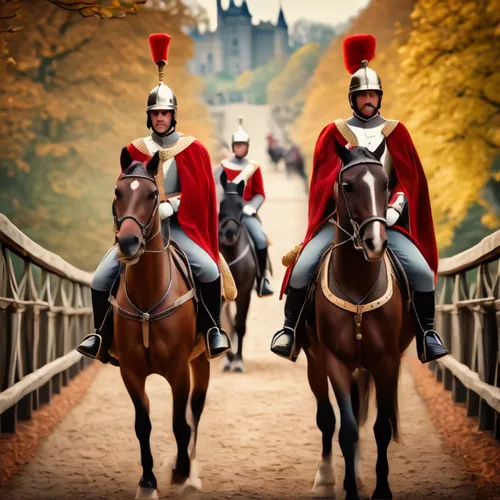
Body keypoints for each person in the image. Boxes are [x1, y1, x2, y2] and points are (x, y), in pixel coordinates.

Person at [270, 34, 449, 364]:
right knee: (301, 269)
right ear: (352, 98)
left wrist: (394, 209)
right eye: (362, 94)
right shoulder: (333, 132)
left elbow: (408, 183)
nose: (368, 99)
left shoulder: (397, 132)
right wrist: (343, 211)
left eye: (373, 94)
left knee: (422, 273)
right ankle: (290, 330)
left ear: (380, 97)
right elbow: (325, 182)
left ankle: (427, 334)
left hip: (386, 224)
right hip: (340, 222)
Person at [77, 33, 231, 363]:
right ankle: (100, 335)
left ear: (174, 115)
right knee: (101, 276)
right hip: (141, 231)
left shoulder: (194, 149)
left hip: (182, 229)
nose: (160, 118)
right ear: (149, 116)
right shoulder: (134, 150)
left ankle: (212, 329)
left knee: (207, 269)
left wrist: (170, 205)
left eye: (165, 113)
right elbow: (121, 193)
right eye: (155, 113)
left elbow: (201, 194)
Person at [214, 118, 273, 297]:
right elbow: (215, 190)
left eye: (242, 146)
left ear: (247, 147)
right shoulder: (222, 168)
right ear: (233, 147)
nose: (240, 149)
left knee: (261, 239)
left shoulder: (253, 168)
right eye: (237, 146)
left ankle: (262, 279)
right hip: (225, 213)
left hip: (246, 213)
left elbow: (260, 193)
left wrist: (252, 207)